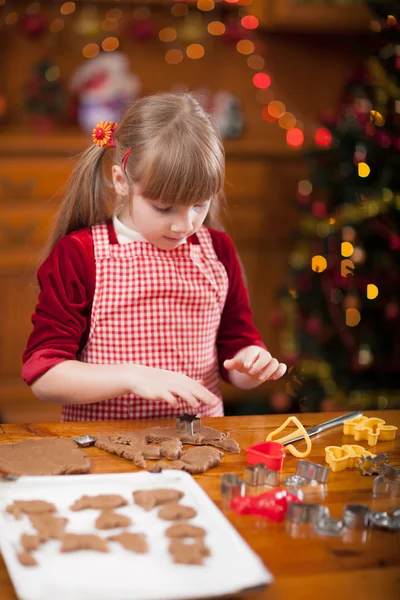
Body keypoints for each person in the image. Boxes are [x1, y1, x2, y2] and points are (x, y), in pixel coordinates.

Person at [22, 93, 287, 421]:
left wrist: (251, 362)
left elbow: (236, 350)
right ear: (121, 181)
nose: (185, 224)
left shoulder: (217, 251)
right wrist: (133, 377)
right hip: (106, 450)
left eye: (199, 205)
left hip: (197, 446)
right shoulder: (80, 255)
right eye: (164, 207)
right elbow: (44, 375)